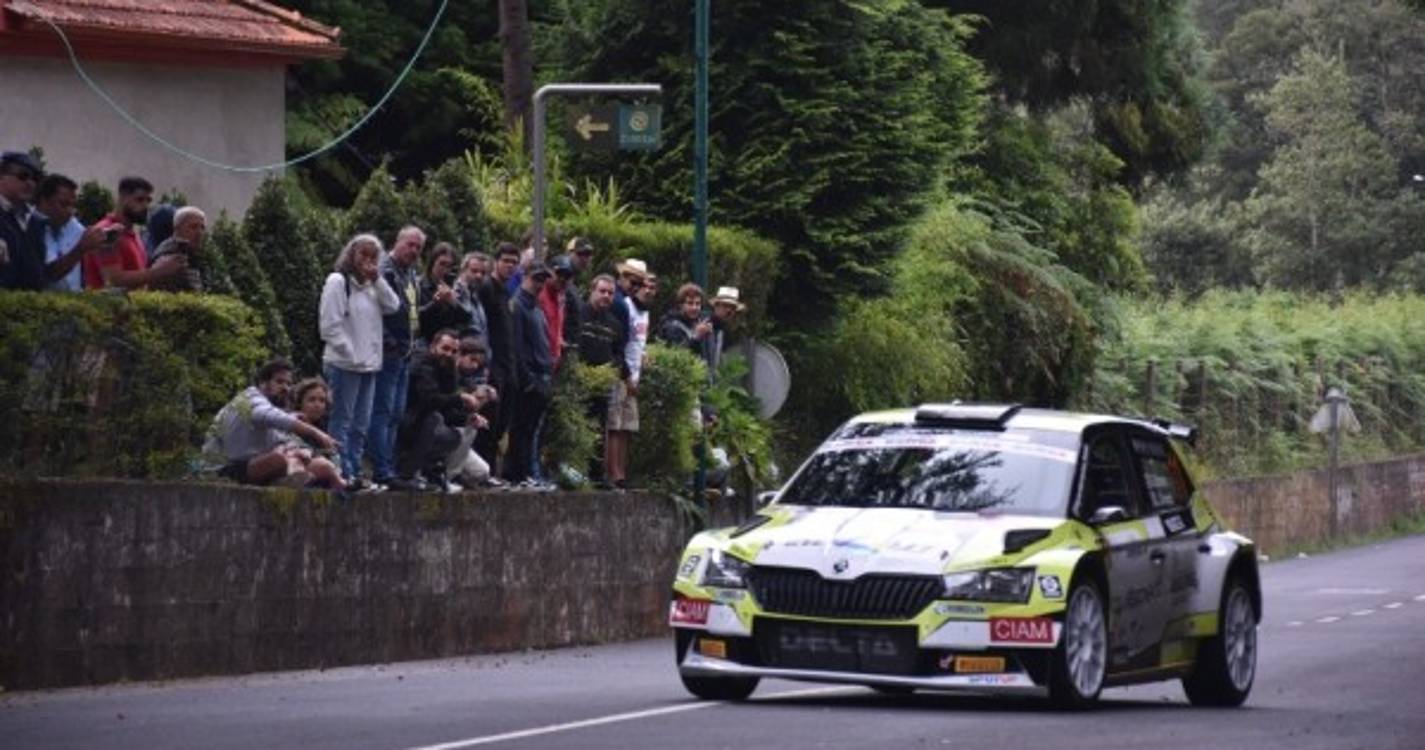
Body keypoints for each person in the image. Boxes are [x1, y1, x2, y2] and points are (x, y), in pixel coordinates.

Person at [320, 233, 400, 488]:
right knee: (342, 421)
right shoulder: (338, 282)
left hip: (369, 364)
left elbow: (394, 306)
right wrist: (349, 352)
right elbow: (329, 325)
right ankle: (339, 470)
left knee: (361, 424)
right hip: (345, 364)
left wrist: (378, 279)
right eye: (362, 255)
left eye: (373, 256)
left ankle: (354, 469)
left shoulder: (372, 287)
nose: (367, 261)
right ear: (351, 255)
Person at [202, 359, 342, 488]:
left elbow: (277, 435)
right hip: (224, 468)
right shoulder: (250, 400)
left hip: (252, 464)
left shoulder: (269, 407)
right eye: (279, 382)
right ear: (263, 383)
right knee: (278, 460)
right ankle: (282, 481)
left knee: (322, 466)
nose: (286, 388)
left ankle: (345, 485)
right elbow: (270, 416)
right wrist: (316, 434)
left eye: (288, 383)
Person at [368, 225, 427, 488]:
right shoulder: (386, 270)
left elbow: (412, 313)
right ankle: (380, 468)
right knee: (382, 411)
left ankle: (387, 465)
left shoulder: (411, 274)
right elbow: (378, 311)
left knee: (395, 413)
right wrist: (389, 343)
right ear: (397, 242)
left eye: (418, 247)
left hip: (405, 352)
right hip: (390, 351)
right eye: (410, 245)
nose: (413, 251)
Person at [394, 329, 472, 492]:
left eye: (453, 351)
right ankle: (406, 473)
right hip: (409, 422)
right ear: (433, 347)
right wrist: (459, 398)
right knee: (433, 420)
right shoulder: (422, 365)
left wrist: (467, 418)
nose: (448, 354)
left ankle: (433, 473)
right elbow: (429, 401)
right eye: (445, 349)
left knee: (456, 435)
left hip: (428, 424)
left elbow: (448, 409)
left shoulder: (449, 372)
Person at [83, 176, 187, 291]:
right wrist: (160, 271)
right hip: (106, 307)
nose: (145, 206)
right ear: (122, 198)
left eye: (148, 200)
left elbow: (139, 280)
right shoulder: (105, 232)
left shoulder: (134, 235)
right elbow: (113, 280)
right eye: (140, 200)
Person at [507, 263, 555, 486]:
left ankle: (527, 472)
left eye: (542, 280)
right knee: (522, 429)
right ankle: (519, 473)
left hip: (542, 374)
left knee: (533, 429)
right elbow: (516, 346)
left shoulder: (536, 307)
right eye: (536, 278)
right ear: (524, 276)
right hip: (530, 376)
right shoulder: (518, 305)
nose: (539, 284)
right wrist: (526, 378)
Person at [473, 242, 520, 472]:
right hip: (492, 364)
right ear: (496, 262)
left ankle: (491, 468)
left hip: (507, 364)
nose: (510, 266)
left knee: (502, 422)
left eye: (514, 263)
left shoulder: (505, 292)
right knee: (489, 420)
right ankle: (486, 468)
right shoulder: (486, 288)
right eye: (506, 261)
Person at [607, 271, 655, 490]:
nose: (646, 289)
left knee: (628, 426)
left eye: (651, 286)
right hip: (621, 374)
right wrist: (626, 375)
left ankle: (622, 472)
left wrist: (643, 358)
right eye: (641, 284)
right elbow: (620, 343)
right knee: (615, 425)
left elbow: (638, 343)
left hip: (635, 374)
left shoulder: (645, 313)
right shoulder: (624, 306)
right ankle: (613, 473)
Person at [576, 274, 625, 486]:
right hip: (578, 381)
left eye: (610, 293)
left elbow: (619, 352)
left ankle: (595, 474)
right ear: (592, 290)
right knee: (577, 425)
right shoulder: (578, 314)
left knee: (599, 428)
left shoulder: (614, 324)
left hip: (602, 383)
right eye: (602, 291)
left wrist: (612, 369)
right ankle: (573, 471)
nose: (605, 296)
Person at [34, 173, 104, 292]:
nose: (70, 211)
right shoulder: (31, 229)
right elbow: (51, 273)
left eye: (72, 206)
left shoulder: (71, 224)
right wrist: (81, 248)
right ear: (44, 201)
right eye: (63, 204)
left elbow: (90, 236)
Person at [444, 336, 496, 489]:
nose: (474, 366)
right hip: (446, 429)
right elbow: (447, 410)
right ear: (460, 355)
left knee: (482, 471)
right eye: (472, 360)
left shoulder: (467, 379)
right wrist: (469, 416)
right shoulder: (448, 375)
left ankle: (458, 475)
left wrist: (481, 400)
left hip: (457, 438)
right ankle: (448, 476)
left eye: (477, 363)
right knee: (470, 429)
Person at [0, 151, 48, 291]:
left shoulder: (36, 221)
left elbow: (40, 271)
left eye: (35, 178)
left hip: (30, 307)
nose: (30, 183)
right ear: (2, 177)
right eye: (23, 176)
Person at [418, 242, 469, 343]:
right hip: (427, 343)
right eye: (442, 264)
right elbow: (417, 317)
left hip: (451, 344)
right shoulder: (419, 285)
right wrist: (435, 303)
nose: (445, 270)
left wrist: (453, 302)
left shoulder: (458, 287)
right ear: (433, 262)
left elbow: (467, 317)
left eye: (449, 266)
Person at [148, 206, 207, 292]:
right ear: (177, 228)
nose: (199, 233)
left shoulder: (188, 254)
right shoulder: (169, 259)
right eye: (193, 227)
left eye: (202, 228)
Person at [539, 254, 576, 369]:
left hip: (553, 363)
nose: (562, 279)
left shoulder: (561, 297)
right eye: (559, 274)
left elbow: (556, 327)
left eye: (567, 276)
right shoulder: (540, 295)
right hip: (539, 361)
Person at [657, 283, 713, 357]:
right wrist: (696, 336)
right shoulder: (671, 325)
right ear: (681, 305)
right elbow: (678, 354)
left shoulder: (700, 321)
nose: (694, 308)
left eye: (698, 304)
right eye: (690, 303)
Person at [705, 286, 747, 381]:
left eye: (732, 307)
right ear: (716, 306)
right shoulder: (704, 324)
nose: (729, 311)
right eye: (725, 306)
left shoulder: (723, 331)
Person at [452, 252, 490, 343]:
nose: (479, 276)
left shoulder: (475, 296)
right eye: (474, 271)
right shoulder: (455, 295)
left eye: (483, 273)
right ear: (463, 270)